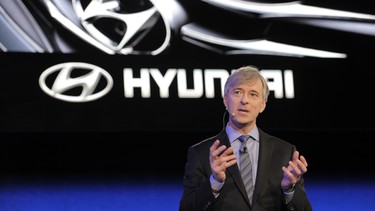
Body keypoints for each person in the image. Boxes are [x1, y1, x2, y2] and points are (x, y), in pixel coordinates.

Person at [179, 65, 312, 211]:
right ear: (225, 100)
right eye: (237, 92)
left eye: (253, 94)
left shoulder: (285, 152)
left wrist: (289, 190)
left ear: (262, 105)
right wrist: (214, 182)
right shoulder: (201, 153)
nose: (244, 100)